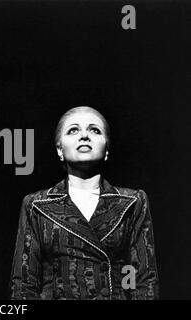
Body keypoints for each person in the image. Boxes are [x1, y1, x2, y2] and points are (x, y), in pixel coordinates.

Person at [10, 106, 159, 300]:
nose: (84, 136)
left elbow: (142, 279)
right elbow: (24, 284)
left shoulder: (132, 202)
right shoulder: (36, 205)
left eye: (94, 130)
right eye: (73, 130)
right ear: (59, 149)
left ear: (106, 149)